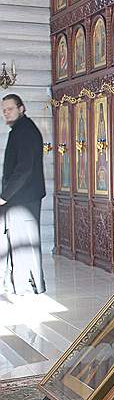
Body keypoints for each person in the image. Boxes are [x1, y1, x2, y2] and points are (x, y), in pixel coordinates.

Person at [0, 94, 46, 296]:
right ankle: (23, 285)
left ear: (21, 108)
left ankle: (25, 286)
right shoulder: (20, 130)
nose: (6, 113)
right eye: (4, 110)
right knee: (21, 242)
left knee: (23, 244)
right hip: (20, 197)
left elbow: (24, 168)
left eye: (10, 109)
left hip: (23, 199)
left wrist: (4, 196)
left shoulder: (26, 131)